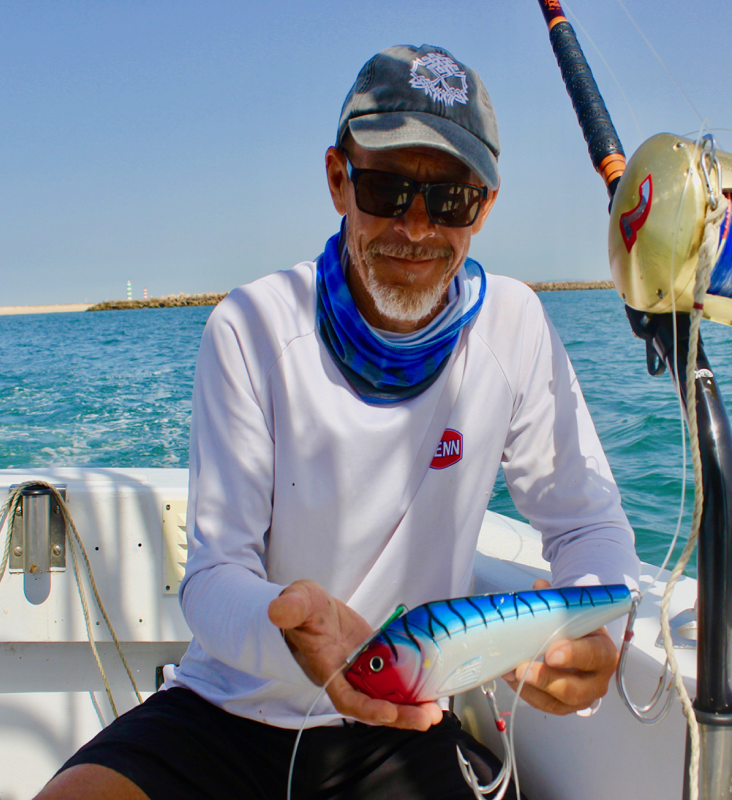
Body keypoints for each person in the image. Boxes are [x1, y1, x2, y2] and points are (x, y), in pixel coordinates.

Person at [35, 44, 639, 800]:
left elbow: (588, 526)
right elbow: (216, 578)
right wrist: (293, 632)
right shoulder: (252, 325)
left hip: (402, 715)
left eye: (450, 198)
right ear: (336, 180)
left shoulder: (515, 328)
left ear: (483, 207)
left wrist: (601, 638)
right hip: (230, 703)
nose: (416, 228)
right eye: (387, 189)